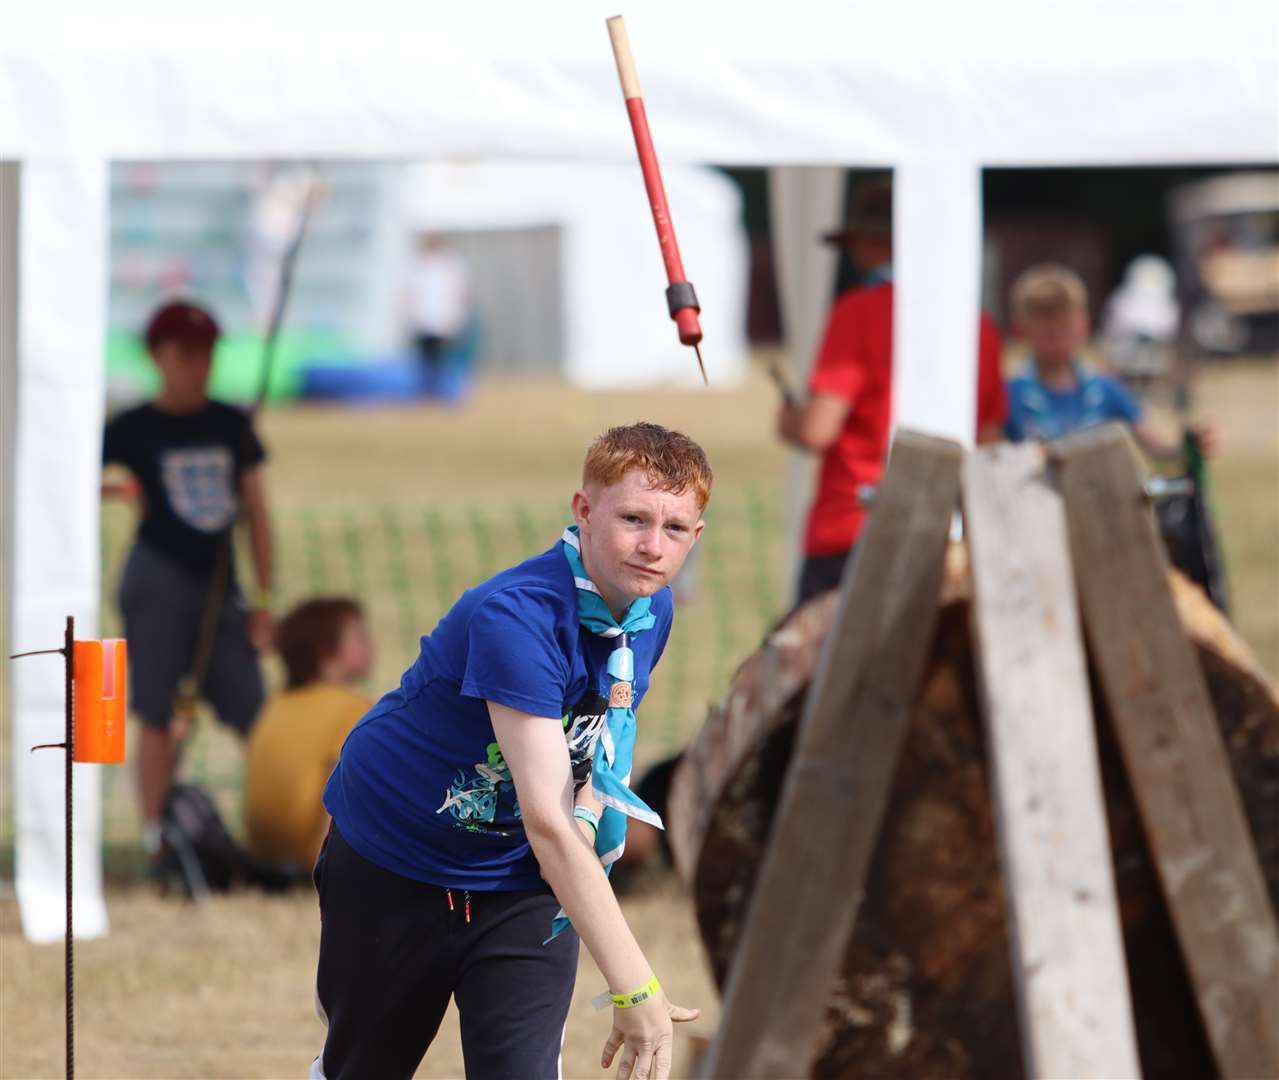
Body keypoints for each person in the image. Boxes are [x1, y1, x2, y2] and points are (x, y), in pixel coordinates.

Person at [312, 422, 706, 1080]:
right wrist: (634, 985)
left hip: (519, 879)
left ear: (695, 536)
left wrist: (591, 828)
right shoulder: (517, 616)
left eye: (673, 529)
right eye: (632, 518)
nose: (649, 546)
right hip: (397, 858)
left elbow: (589, 747)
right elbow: (547, 821)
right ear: (582, 511)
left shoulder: (649, 609)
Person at [777, 179, 1009, 604]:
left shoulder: (856, 312)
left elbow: (817, 429)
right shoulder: (978, 323)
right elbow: (990, 440)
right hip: (950, 528)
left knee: (817, 665)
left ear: (869, 243)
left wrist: (788, 419)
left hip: (856, 523)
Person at [102, 299, 275, 861]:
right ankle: (158, 838)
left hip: (221, 589)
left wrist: (263, 600)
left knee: (254, 709)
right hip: (156, 580)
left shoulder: (230, 423)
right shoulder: (131, 427)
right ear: (158, 356)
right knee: (155, 712)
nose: (199, 365)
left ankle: (279, 826)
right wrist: (122, 492)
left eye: (207, 353)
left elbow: (256, 511)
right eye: (186, 353)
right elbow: (70, 476)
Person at [1004, 263, 1217, 455]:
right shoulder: (1009, 396)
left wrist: (1189, 446)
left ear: (1083, 325)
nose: (1058, 342)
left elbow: (1155, 448)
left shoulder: (1106, 390)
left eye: (1065, 331)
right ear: (1023, 331)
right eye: (1047, 335)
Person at [244, 598, 374, 871]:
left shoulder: (275, 704)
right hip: (311, 850)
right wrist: (327, 862)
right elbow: (340, 780)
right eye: (361, 637)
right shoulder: (352, 705)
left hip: (262, 848)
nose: (372, 645)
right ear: (326, 651)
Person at [404, 234, 469, 385]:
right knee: (425, 356)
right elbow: (410, 294)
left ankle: (442, 386)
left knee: (443, 357)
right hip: (423, 320)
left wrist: (456, 317)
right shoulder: (417, 266)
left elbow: (457, 293)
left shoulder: (450, 266)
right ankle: (426, 386)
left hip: (442, 320)